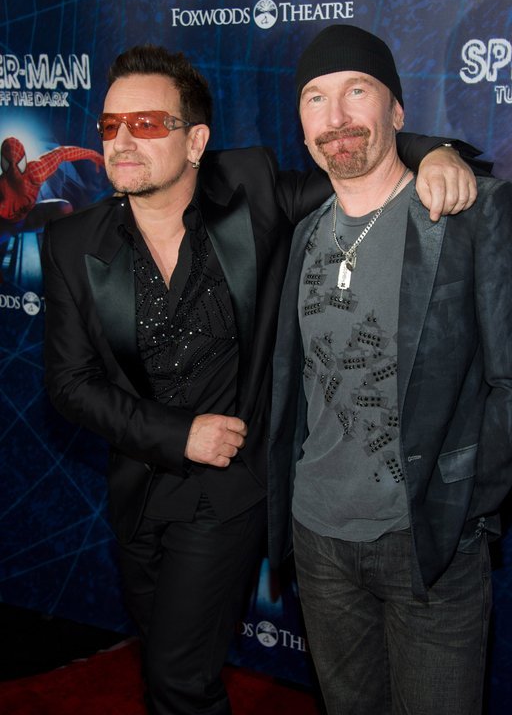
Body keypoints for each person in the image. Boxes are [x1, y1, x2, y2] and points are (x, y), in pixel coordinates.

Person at [42, 43, 482, 715]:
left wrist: (438, 153)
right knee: (166, 660)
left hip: (231, 489)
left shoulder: (250, 189)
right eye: (110, 125)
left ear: (196, 142)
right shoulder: (73, 243)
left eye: (147, 124)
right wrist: (178, 435)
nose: (122, 141)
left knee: (178, 677)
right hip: (140, 488)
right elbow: (71, 383)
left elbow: (359, 159)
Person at [268, 24, 512, 715]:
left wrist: (465, 504)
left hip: (430, 545)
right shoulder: (304, 233)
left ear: (398, 111)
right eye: (315, 98)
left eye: (357, 91)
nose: (336, 117)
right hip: (319, 541)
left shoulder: (470, 215)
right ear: (301, 125)